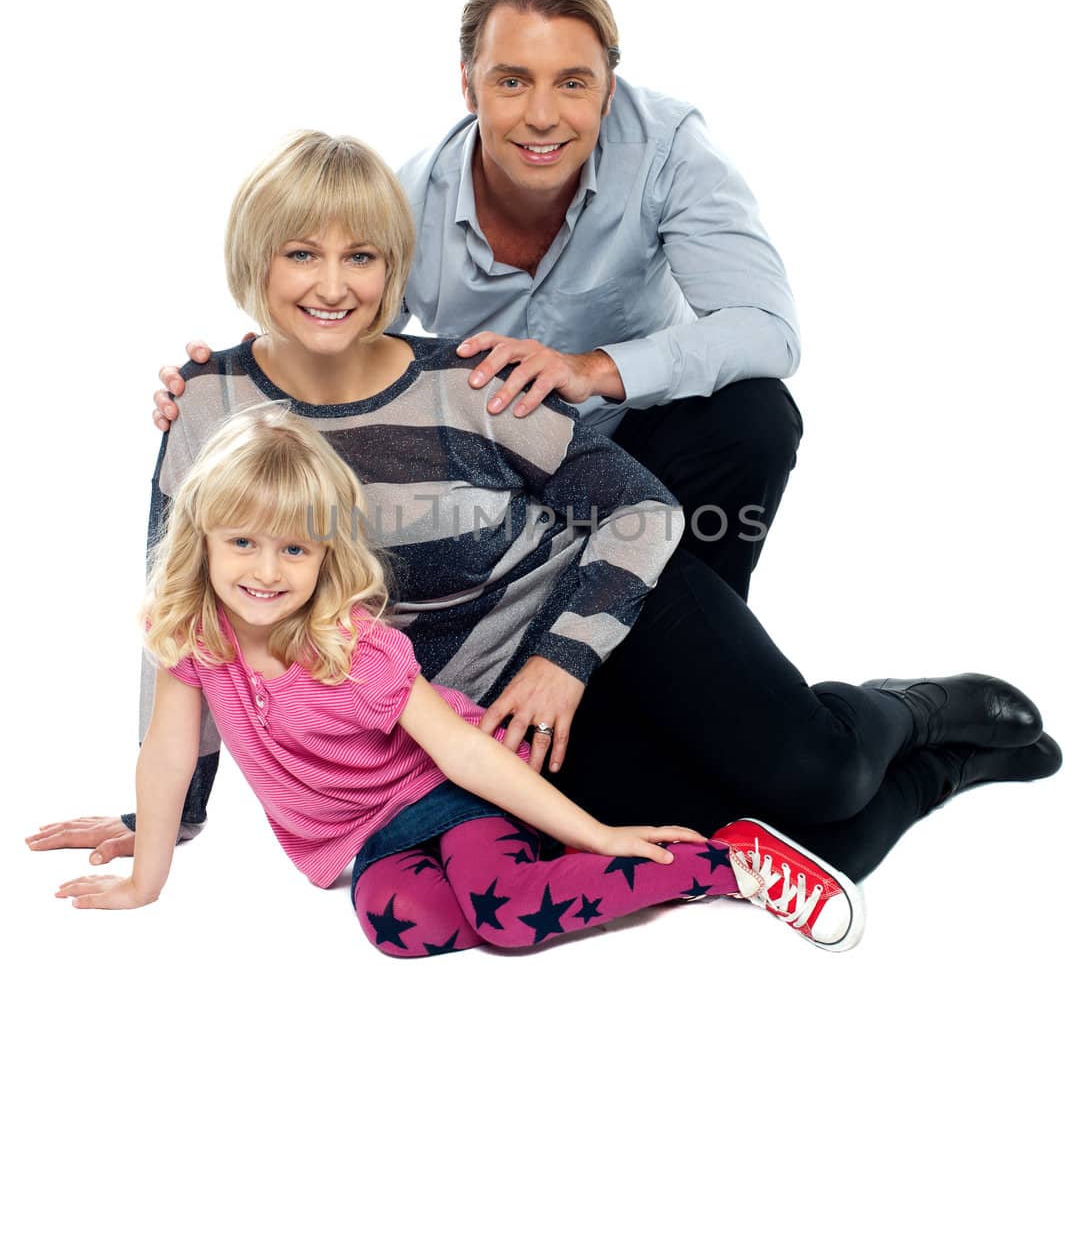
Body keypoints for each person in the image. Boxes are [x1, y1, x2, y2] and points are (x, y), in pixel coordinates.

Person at [29, 132, 1059, 916]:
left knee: (821, 773)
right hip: (478, 723)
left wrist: (565, 656)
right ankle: (942, 772)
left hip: (600, 623)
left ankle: (907, 711)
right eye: (302, 254)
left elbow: (643, 511)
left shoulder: (467, 382)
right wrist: (170, 813)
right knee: (748, 841)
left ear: (396, 266)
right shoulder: (208, 406)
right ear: (257, 260)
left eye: (363, 256)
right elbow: (182, 609)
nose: (333, 285)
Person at [52, 405, 864, 955]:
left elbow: (466, 755)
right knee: (393, 926)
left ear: (326, 557)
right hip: (368, 837)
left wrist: (602, 837)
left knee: (506, 913)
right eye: (242, 545)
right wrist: (145, 881)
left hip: (447, 790)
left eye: (293, 549)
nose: (266, 572)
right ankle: (547, 872)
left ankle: (723, 865)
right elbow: (168, 752)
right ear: (201, 540)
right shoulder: (192, 633)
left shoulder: (351, 649)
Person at [153, 0, 804, 602]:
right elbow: (341, 335)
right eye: (512, 82)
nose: (542, 116)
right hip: (500, 468)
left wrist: (592, 369)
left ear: (609, 89)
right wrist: (234, 387)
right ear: (468, 87)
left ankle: (698, 648)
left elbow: (766, 330)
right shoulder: (408, 204)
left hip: (641, 437)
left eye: (572, 83)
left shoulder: (669, 151)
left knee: (754, 416)